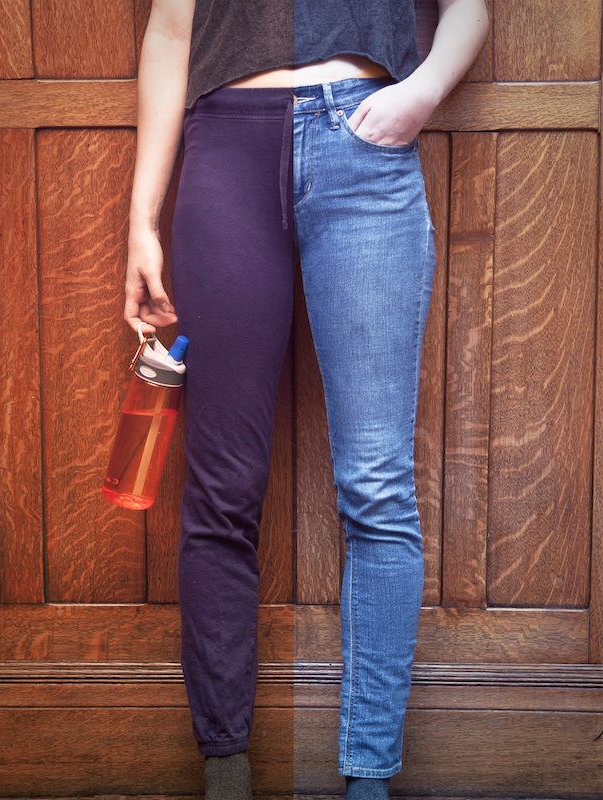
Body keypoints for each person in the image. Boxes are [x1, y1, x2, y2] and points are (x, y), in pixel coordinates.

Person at [124, 1, 488, 798]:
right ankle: (226, 770)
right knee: (222, 487)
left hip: (366, 147)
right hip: (224, 149)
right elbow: (168, 32)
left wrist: (420, 94)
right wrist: (139, 222)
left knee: (377, 488)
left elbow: (469, 7)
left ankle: (367, 782)